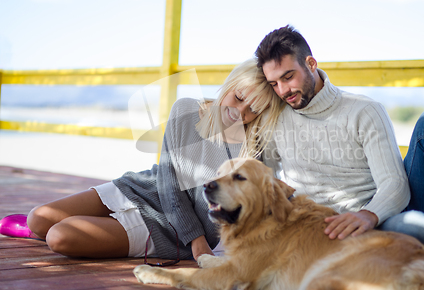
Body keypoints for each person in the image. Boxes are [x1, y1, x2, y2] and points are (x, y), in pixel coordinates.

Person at [256, 25, 424, 290]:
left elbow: (394, 183)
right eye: (273, 84)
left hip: (381, 213)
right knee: (408, 225)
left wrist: (369, 213)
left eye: (288, 77)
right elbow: (247, 159)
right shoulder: (276, 120)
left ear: (311, 64)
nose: (282, 90)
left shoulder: (363, 110)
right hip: (336, 233)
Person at [0, 59, 284, 261]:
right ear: (230, 84)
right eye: (238, 97)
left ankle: (91, 231)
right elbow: (168, 182)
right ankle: (43, 229)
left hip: (169, 230)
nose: (240, 112)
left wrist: (197, 244)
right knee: (38, 219)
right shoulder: (186, 108)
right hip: (143, 188)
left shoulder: (253, 151)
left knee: (59, 238)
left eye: (253, 110)